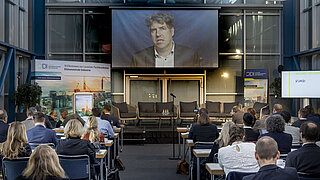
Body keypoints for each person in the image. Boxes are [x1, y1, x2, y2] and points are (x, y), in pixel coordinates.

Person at [131, 12, 199, 68]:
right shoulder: (138, 59)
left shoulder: (190, 56)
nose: (158, 34)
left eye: (162, 28)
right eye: (153, 30)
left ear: (172, 31)